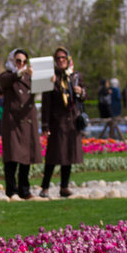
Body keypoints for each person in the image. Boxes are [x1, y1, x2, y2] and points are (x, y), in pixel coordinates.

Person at [39, 47, 86, 198]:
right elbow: (45, 103)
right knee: (53, 155)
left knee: (69, 154)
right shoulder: (51, 77)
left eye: (63, 58)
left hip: (72, 121)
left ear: (68, 59)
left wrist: (81, 92)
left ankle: (64, 186)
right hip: (57, 121)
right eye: (58, 58)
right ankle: (45, 186)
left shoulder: (75, 76)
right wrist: (45, 125)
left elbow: (84, 94)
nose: (61, 61)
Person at [0, 48, 42, 199]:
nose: (21, 64)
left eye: (24, 62)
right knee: (12, 157)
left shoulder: (30, 78)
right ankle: (11, 189)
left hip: (28, 120)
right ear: (12, 61)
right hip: (13, 122)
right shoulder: (6, 76)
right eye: (18, 61)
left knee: (26, 157)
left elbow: (43, 90)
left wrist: (48, 80)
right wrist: (21, 73)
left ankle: (25, 189)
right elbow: (6, 82)